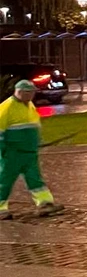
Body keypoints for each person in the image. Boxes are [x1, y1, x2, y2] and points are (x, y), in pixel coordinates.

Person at [0, 80, 62, 220]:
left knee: (35, 179)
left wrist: (36, 142)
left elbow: (33, 125)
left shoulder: (28, 105)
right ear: (20, 92)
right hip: (12, 152)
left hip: (28, 152)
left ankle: (45, 204)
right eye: (30, 93)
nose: (32, 96)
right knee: (4, 181)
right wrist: (2, 149)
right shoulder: (6, 107)